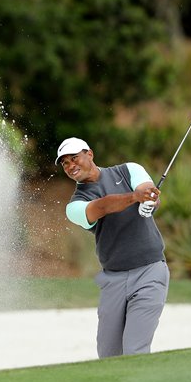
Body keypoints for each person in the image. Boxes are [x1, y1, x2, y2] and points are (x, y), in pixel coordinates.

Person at [55, 137, 170, 358]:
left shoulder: (129, 170)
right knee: (109, 356)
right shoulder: (75, 205)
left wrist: (149, 200)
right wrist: (134, 197)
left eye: (74, 158)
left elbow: (147, 190)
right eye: (65, 163)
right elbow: (102, 206)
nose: (70, 166)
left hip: (150, 272)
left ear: (90, 154)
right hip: (113, 280)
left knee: (135, 350)